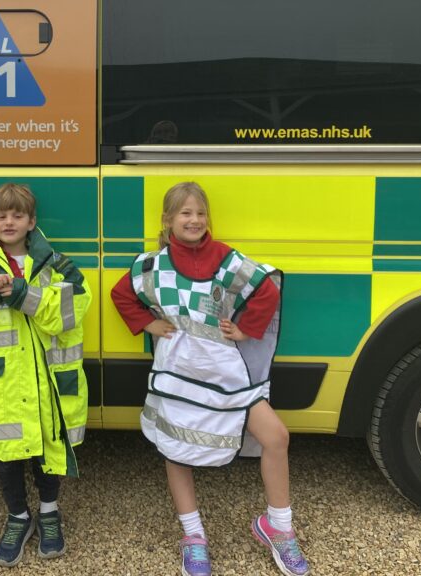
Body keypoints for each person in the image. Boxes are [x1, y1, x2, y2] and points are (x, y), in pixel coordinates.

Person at [110, 181, 310, 576]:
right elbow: (121, 294)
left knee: (277, 437)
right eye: (185, 213)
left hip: (229, 373)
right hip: (177, 375)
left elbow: (267, 289)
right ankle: (193, 535)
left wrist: (248, 329)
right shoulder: (153, 265)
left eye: (200, 213)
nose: (194, 220)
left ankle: (278, 527)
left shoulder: (227, 260)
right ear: (168, 220)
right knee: (175, 448)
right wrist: (148, 323)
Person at [0, 182, 91, 567]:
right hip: (2, 385)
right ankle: (18, 517)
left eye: (18, 215)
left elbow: (74, 307)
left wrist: (24, 294)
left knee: (46, 450)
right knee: (5, 455)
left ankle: (49, 512)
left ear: (32, 221)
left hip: (45, 384)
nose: (9, 221)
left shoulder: (55, 262)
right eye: (1, 215)